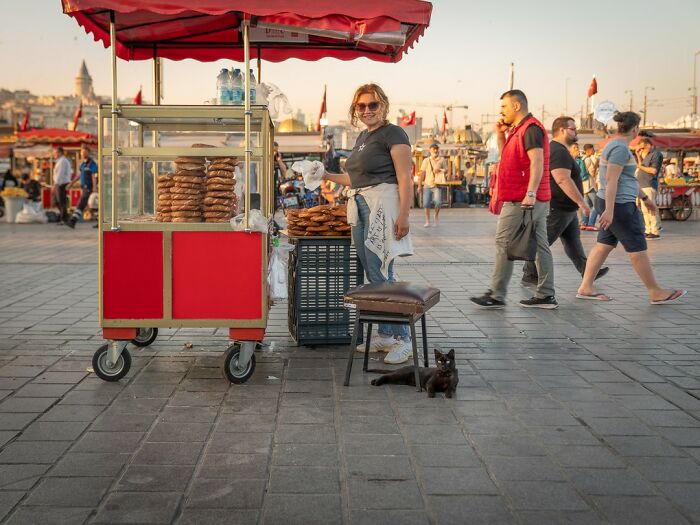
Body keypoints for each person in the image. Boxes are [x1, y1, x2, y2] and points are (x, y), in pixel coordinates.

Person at [319, 83, 415, 364]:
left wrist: (404, 215)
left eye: (373, 105)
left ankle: (403, 339)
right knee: (373, 272)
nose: (367, 110)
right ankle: (385, 335)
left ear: (383, 105)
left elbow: (404, 177)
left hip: (383, 207)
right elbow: (354, 180)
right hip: (361, 206)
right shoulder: (363, 136)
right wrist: (324, 174)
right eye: (361, 106)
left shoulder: (394, 133)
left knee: (381, 273)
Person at [577, 111, 687, 305]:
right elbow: (612, 180)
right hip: (619, 205)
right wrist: (610, 211)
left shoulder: (615, 144)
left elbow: (627, 178)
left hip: (613, 202)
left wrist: (645, 198)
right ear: (635, 128)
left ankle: (586, 287)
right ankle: (655, 291)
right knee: (637, 246)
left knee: (604, 245)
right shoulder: (620, 148)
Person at [471, 89, 557, 309]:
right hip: (530, 197)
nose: (501, 112)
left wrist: (530, 193)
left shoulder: (530, 130)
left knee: (503, 241)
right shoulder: (519, 131)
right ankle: (546, 295)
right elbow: (507, 158)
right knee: (539, 246)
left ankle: (497, 294)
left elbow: (537, 163)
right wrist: (501, 135)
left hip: (523, 198)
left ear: (517, 106)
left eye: (504, 107)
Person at [521, 118, 608, 286]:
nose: (576, 132)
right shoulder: (558, 151)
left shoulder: (559, 150)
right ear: (562, 130)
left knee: (573, 243)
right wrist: (582, 203)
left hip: (566, 208)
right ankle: (529, 274)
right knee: (543, 241)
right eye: (573, 129)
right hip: (558, 207)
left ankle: (587, 270)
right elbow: (561, 179)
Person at [635, 137, 663, 240]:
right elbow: (642, 166)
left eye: (642, 148)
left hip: (649, 184)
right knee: (645, 210)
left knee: (651, 208)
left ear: (648, 145)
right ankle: (648, 230)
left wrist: (639, 166)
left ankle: (655, 230)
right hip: (642, 184)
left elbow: (653, 171)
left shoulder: (656, 154)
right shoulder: (646, 155)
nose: (641, 150)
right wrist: (638, 155)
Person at [68, 145, 97, 228]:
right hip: (83, 187)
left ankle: (73, 221)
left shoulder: (92, 163)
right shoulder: (83, 164)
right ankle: (100, 221)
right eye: (81, 152)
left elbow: (93, 175)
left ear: (88, 152)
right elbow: (79, 175)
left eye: (84, 152)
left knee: (81, 204)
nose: (82, 153)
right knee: (90, 205)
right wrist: (71, 183)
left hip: (88, 187)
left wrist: (94, 187)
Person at [417, 143, 446, 226]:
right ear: (430, 151)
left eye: (437, 149)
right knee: (426, 203)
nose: (435, 151)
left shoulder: (442, 160)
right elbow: (422, 173)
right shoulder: (426, 161)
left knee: (438, 202)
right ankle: (427, 221)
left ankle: (436, 215)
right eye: (434, 149)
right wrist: (419, 186)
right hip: (427, 184)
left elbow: (447, 170)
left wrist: (440, 170)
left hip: (437, 184)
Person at [52, 146, 73, 225]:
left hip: (62, 183)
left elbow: (60, 174)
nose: (54, 154)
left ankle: (64, 218)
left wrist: (55, 184)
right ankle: (65, 217)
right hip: (60, 183)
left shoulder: (62, 161)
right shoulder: (60, 161)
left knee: (61, 201)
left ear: (60, 153)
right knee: (57, 201)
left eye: (55, 153)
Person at [581, 144, 600, 230]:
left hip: (584, 186)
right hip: (590, 186)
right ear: (589, 150)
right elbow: (592, 173)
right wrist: (596, 162)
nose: (594, 151)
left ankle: (584, 223)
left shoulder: (582, 159)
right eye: (593, 149)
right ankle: (591, 224)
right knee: (597, 205)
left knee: (587, 206)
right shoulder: (588, 159)